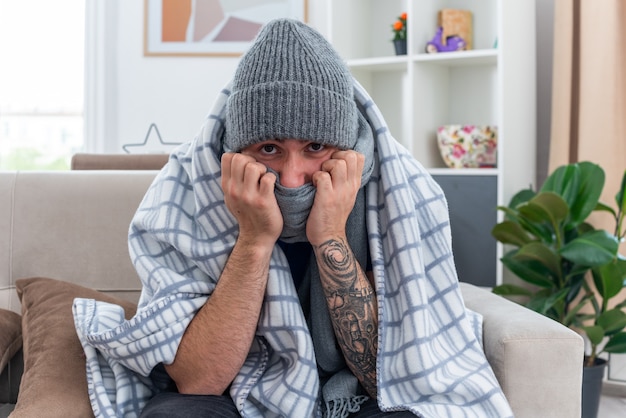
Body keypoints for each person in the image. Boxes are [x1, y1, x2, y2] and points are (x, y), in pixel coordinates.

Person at [73, 19, 513, 418]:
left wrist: (330, 237)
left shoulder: (401, 189)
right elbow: (199, 381)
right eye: (269, 150)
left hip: (354, 394)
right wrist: (254, 240)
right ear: (236, 151)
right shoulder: (185, 191)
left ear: (347, 148)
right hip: (234, 390)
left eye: (316, 149)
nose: (291, 176)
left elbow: (389, 377)